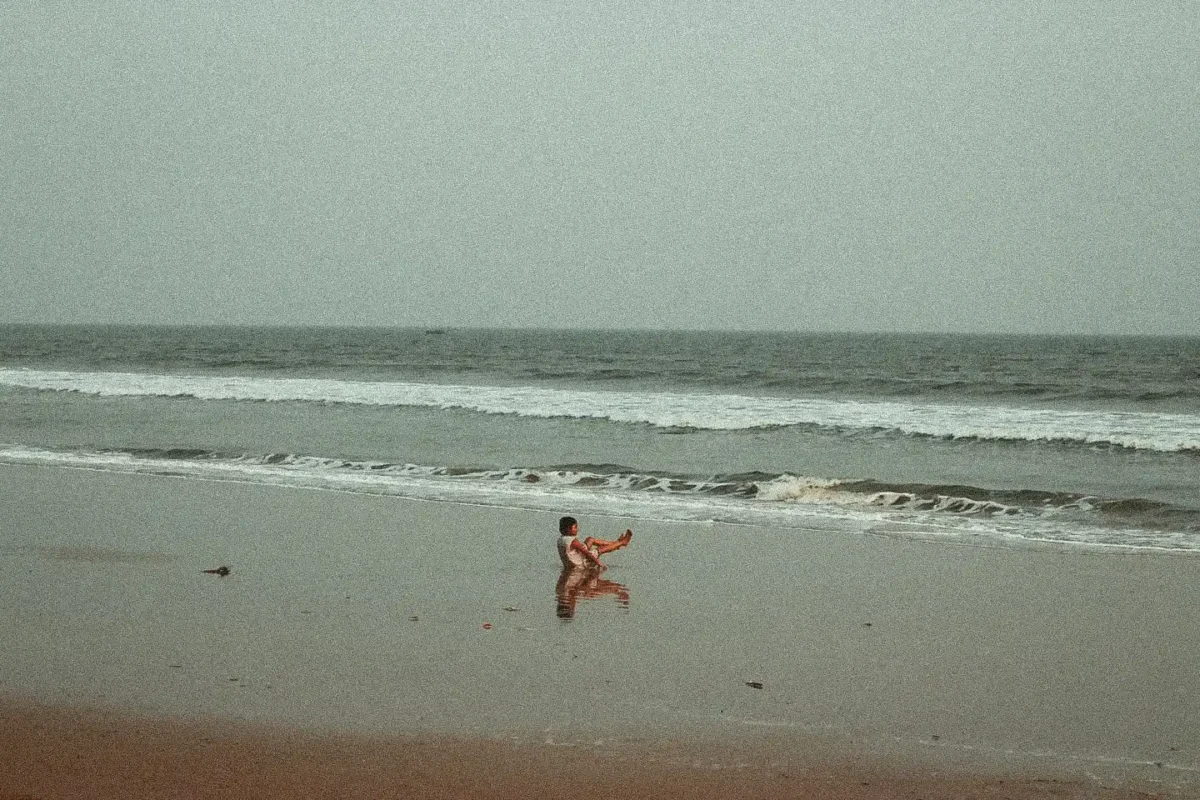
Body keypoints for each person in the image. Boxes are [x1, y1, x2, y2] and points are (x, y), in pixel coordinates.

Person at [556, 516, 632, 571]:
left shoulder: (561, 539)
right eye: (575, 527)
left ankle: (616, 543)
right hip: (581, 564)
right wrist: (598, 562)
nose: (577, 529)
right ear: (569, 529)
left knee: (590, 539)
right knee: (601, 549)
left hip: (573, 563)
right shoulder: (573, 541)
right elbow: (586, 553)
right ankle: (622, 542)